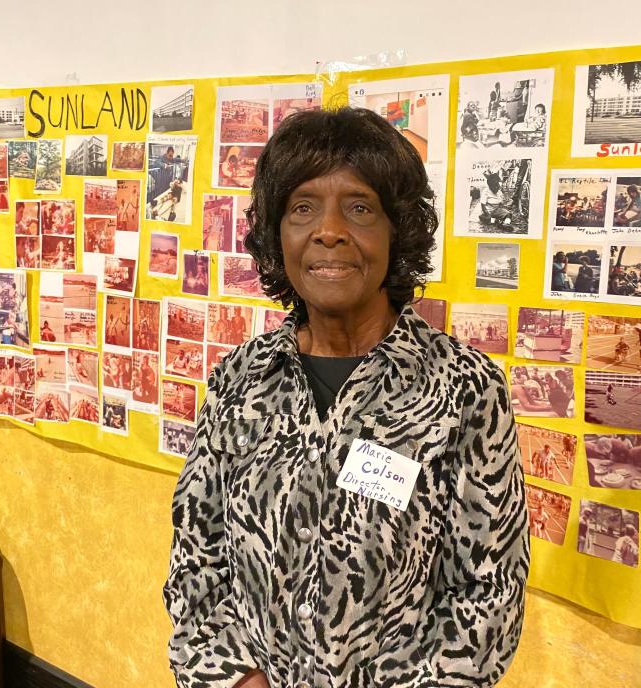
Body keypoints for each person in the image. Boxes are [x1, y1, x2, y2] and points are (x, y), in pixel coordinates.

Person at [165, 107, 528, 688]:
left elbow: (488, 593)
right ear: (276, 233)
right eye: (302, 207)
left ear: (397, 230)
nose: (328, 229)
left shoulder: (463, 389)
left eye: (359, 207)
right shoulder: (239, 380)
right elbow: (196, 557)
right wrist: (235, 680)